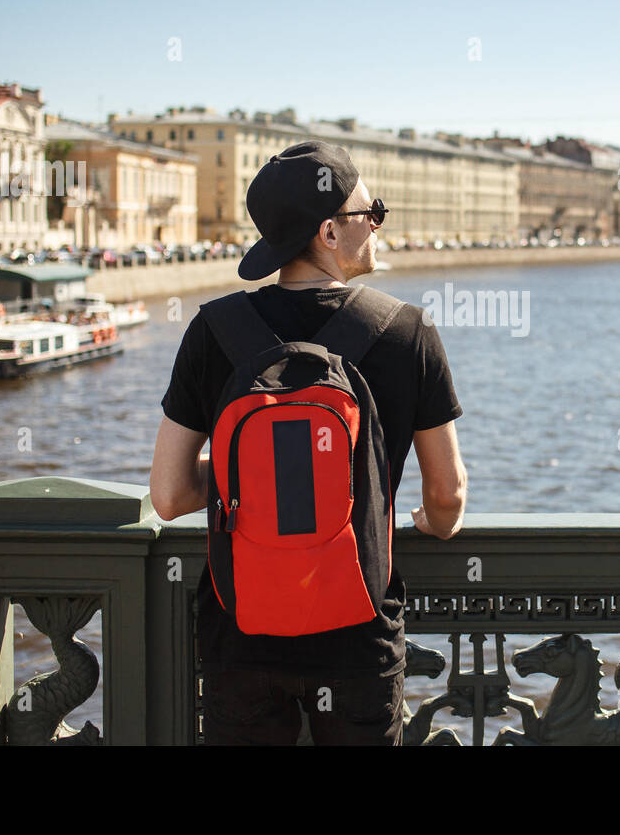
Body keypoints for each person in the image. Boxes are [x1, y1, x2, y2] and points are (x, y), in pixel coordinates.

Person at [150, 140, 467, 745]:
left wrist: (255, 480)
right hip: (356, 632)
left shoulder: (214, 329)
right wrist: (434, 523)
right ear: (329, 230)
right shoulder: (409, 331)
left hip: (241, 629)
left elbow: (167, 496)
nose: (377, 223)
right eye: (369, 211)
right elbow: (447, 495)